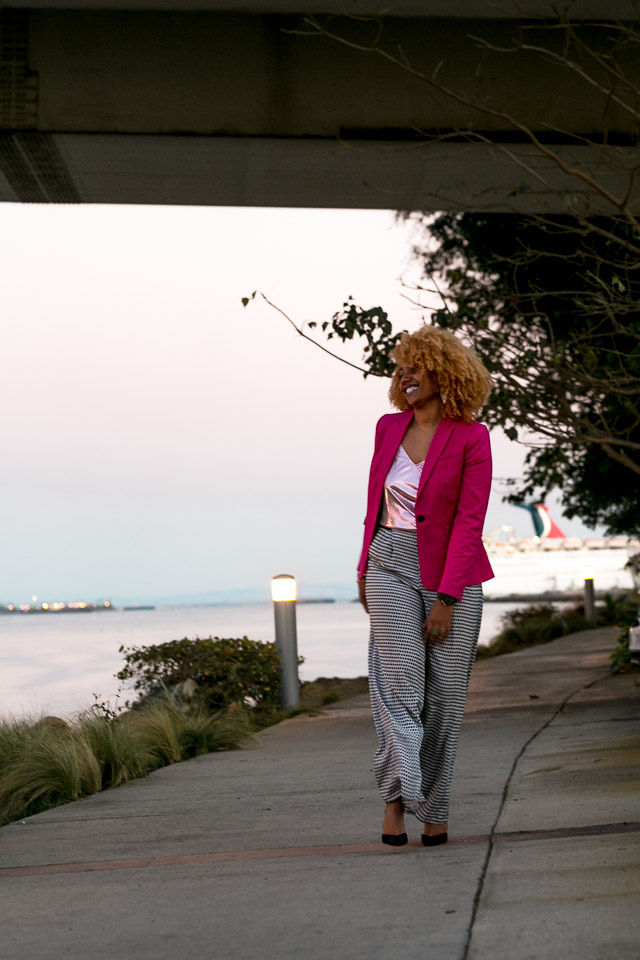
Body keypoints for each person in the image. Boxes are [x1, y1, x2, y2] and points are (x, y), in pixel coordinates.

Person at [357, 325, 494, 847]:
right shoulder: (387, 427)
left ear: (445, 372)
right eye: (401, 368)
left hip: (452, 576)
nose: (406, 375)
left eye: (417, 366)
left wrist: (447, 597)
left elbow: (469, 520)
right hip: (388, 562)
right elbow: (373, 504)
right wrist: (364, 569)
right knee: (400, 688)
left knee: (444, 699)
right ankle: (397, 798)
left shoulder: (471, 436)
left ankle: (434, 807)